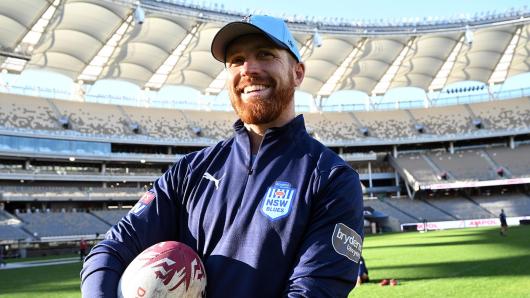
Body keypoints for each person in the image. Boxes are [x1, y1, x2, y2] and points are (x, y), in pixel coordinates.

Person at [81, 15, 364, 298]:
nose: (249, 69)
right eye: (236, 60)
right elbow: (113, 247)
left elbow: (314, 291)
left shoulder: (332, 178)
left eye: (265, 54)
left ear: (298, 73)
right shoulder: (189, 171)